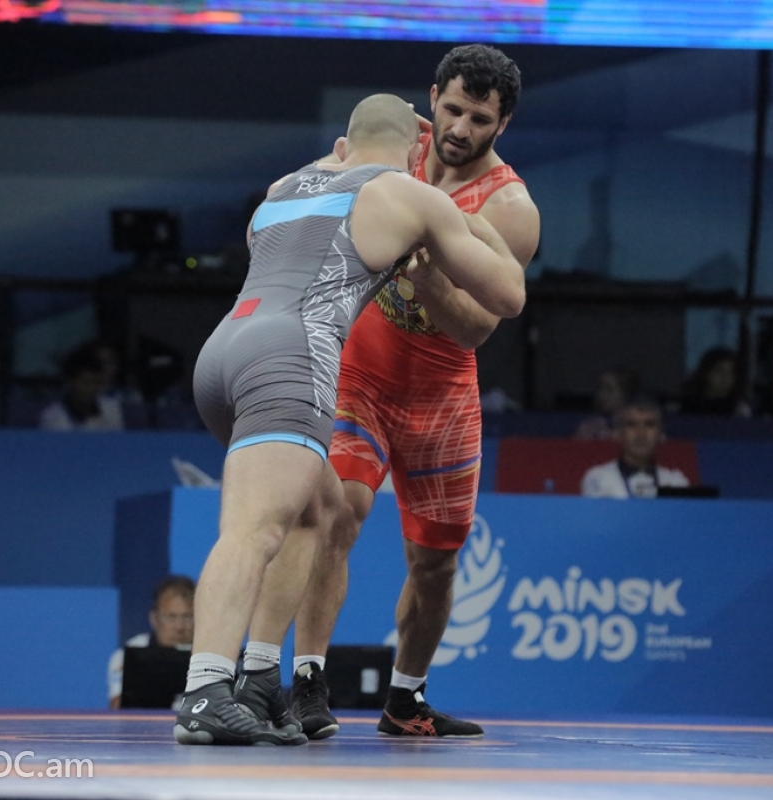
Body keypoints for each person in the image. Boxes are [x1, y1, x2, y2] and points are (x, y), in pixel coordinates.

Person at [172, 93, 525, 747]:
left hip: (223, 353)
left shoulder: (283, 187)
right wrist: (465, 224)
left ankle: (259, 678)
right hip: (292, 359)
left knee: (323, 509)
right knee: (254, 529)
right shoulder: (409, 192)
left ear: (343, 144)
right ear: (414, 150)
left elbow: (319, 205)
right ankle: (205, 690)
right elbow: (508, 295)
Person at [108, 575, 195, 709]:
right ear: (154, 618)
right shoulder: (129, 654)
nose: (179, 627)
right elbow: (118, 706)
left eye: (187, 617)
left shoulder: (213, 655)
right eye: (171, 617)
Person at [581, 395, 690, 499]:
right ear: (619, 432)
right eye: (631, 425)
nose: (641, 434)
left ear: (661, 433)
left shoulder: (676, 483)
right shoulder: (598, 479)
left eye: (649, 424)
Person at [39, 342, 125, 431]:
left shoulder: (112, 409)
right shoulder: (53, 417)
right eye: (85, 383)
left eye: (96, 382)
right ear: (69, 383)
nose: (91, 388)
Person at [678, 347, 750, 417]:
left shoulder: (739, 411)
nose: (726, 378)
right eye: (720, 371)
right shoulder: (685, 406)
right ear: (706, 373)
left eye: (731, 373)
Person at [574, 366, 640, 438]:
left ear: (626, 393)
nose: (601, 395)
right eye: (599, 388)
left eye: (609, 390)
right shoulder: (591, 425)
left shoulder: (641, 425)